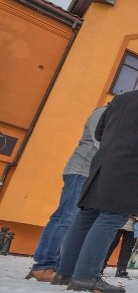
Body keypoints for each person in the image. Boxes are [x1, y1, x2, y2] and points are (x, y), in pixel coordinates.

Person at [53, 71, 138, 293]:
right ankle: (86, 276)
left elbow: (100, 133)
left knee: (86, 216)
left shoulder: (119, 99)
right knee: (110, 219)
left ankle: (65, 272)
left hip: (101, 165)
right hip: (129, 170)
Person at [26, 107, 106, 282]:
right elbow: (100, 141)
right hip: (80, 172)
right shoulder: (103, 113)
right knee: (65, 217)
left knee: (78, 222)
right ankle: (44, 265)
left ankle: (62, 267)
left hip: (92, 175)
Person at [102, 196, 138, 278]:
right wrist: (132, 212)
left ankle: (121, 270)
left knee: (128, 248)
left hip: (135, 225)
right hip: (120, 222)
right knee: (110, 245)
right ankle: (100, 267)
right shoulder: (127, 188)